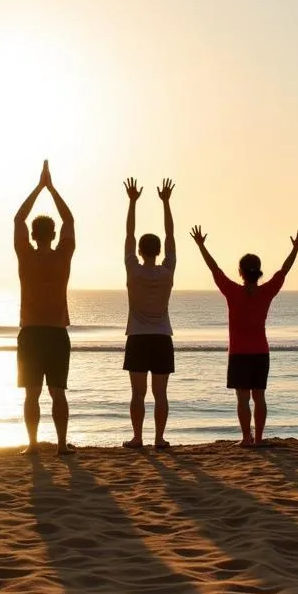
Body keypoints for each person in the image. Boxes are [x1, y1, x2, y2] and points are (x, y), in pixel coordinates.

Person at [191, 224, 298, 446]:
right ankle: (259, 439)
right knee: (259, 397)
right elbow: (284, 270)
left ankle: (246, 438)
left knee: (243, 399)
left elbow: (214, 269)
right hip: (260, 352)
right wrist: (296, 248)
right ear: (258, 271)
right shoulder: (266, 291)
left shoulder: (233, 291)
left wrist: (201, 245)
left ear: (241, 272)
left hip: (239, 353)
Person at [14, 160, 75, 455]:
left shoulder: (26, 255)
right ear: (52, 235)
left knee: (32, 393)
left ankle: (33, 444)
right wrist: (51, 189)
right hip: (54, 333)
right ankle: (61, 445)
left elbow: (18, 220)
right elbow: (70, 221)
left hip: (31, 333)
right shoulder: (62, 255)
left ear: (34, 235)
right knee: (57, 393)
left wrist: (39, 188)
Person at [122, 177, 176, 449]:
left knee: (138, 393)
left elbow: (129, 235)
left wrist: (132, 203)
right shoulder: (167, 272)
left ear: (141, 251)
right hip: (161, 337)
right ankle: (159, 439)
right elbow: (171, 237)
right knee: (160, 394)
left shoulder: (133, 269)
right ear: (158, 252)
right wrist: (166, 203)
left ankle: (138, 438)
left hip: (139, 338)